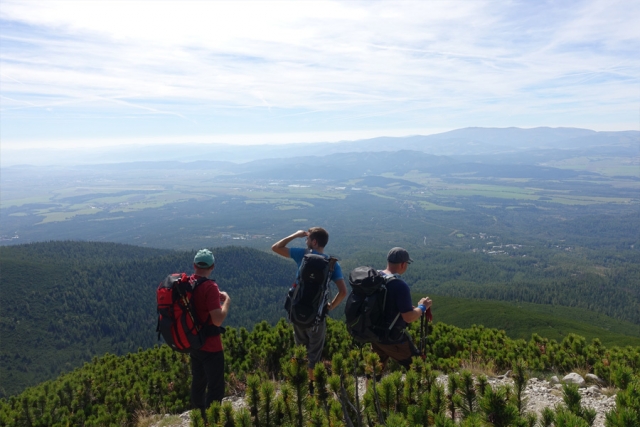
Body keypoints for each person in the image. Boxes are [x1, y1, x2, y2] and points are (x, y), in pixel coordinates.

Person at [272, 227, 348, 391]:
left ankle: (298, 386)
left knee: (301, 351)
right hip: (317, 317)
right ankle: (312, 388)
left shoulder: (303, 255)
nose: (305, 242)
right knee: (314, 355)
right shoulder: (332, 264)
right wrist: (330, 307)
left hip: (297, 313)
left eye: (307, 239)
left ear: (314, 242)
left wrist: (295, 234)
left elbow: (275, 247)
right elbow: (343, 292)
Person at [372, 247, 432, 369]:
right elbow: (408, 318)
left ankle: (369, 388)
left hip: (374, 334)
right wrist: (422, 307)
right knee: (417, 366)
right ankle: (420, 386)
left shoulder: (376, 277)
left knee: (374, 368)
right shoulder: (399, 285)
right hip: (392, 337)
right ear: (403, 264)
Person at [189, 249, 231, 420]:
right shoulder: (210, 287)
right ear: (212, 266)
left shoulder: (189, 283)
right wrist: (227, 301)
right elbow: (218, 320)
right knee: (215, 387)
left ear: (194, 265)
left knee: (198, 381)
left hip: (194, 342)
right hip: (211, 346)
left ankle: (199, 419)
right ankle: (213, 421)